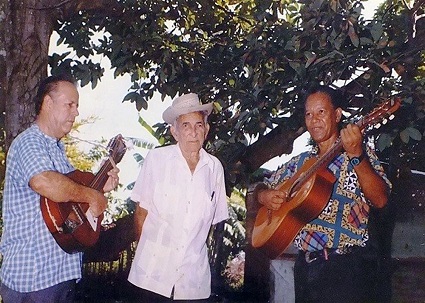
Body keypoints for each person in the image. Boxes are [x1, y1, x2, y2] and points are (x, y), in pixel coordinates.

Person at [254, 85, 392, 302]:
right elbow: (256, 189)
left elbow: (381, 199)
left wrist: (357, 156)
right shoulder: (298, 164)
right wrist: (264, 196)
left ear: (337, 115)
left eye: (321, 112)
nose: (314, 119)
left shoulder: (359, 155)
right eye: (308, 114)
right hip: (305, 269)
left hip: (346, 270)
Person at [0, 74, 120, 303]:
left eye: (77, 106)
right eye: (70, 105)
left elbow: (67, 202)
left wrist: (101, 188)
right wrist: (91, 195)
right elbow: (44, 182)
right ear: (47, 103)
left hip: (57, 274)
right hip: (34, 278)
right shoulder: (30, 142)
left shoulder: (57, 149)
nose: (76, 112)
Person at [128, 93, 229, 302]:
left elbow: (212, 225)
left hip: (193, 281)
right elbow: (141, 213)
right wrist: (148, 256)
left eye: (198, 125)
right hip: (151, 277)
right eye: (185, 125)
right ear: (174, 131)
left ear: (206, 130)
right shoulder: (156, 159)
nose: (193, 132)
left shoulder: (214, 168)